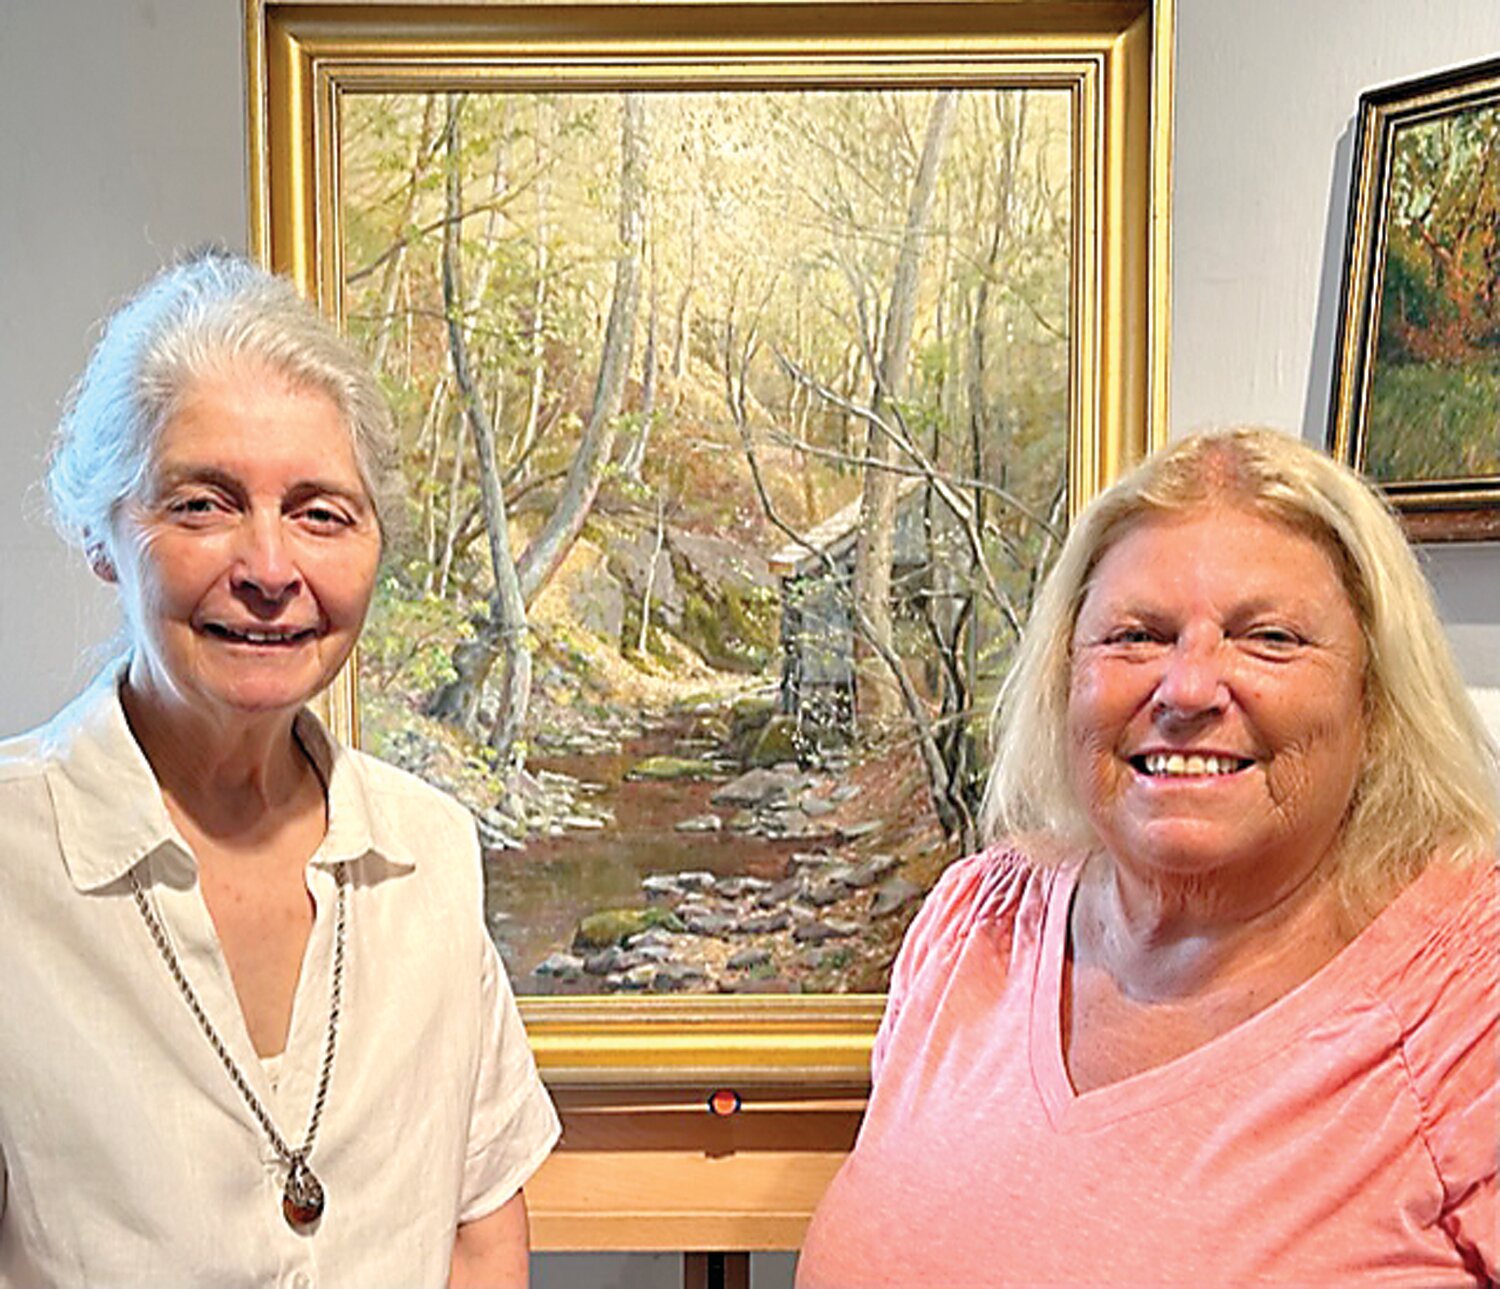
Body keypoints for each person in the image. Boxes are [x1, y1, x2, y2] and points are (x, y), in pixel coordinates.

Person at [797, 428, 1498, 1285]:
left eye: (1269, 638)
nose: (1189, 689)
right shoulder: (972, 922)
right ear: (1067, 677)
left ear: (1377, 695)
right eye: (1137, 636)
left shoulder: (1472, 1002)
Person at [0, 251, 559, 1287]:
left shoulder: (428, 854)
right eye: (203, 503)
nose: (268, 569)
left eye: (320, 511)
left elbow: (480, 1228)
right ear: (102, 535)